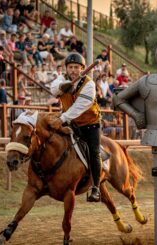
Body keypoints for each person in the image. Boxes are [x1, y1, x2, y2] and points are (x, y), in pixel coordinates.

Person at [49, 53, 101, 202]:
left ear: (82, 69)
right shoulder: (61, 79)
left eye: (76, 68)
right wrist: (62, 87)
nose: (73, 70)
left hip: (90, 125)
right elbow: (54, 89)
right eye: (70, 67)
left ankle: (95, 188)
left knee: (94, 152)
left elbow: (80, 107)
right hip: (71, 124)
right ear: (66, 68)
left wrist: (62, 118)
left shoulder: (89, 85)